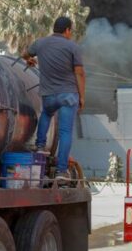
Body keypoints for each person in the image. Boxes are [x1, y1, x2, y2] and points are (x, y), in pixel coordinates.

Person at [23, 16, 86, 182]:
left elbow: (24, 54)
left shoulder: (40, 43)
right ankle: (61, 171)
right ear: (67, 30)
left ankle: (40, 145)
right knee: (65, 132)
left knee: (46, 113)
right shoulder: (73, 47)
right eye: (70, 31)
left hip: (49, 94)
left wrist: (30, 60)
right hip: (68, 95)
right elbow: (79, 73)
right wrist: (82, 96)